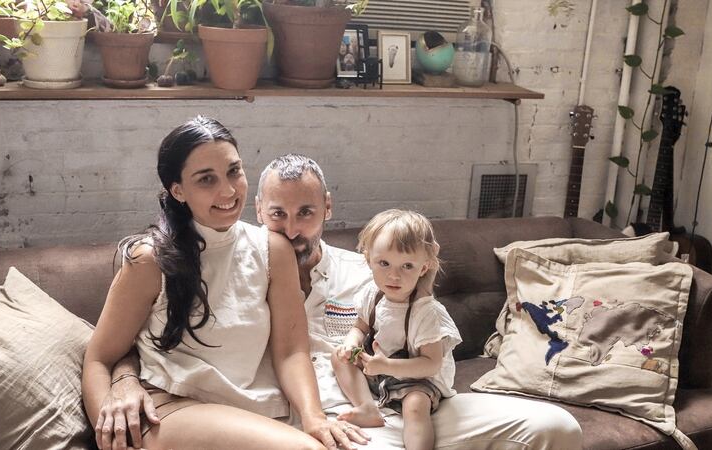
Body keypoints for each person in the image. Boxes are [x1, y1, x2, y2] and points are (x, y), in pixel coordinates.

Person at [100, 153, 583, 449]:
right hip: (327, 425)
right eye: (278, 214)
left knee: (555, 427)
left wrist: (407, 383)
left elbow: (433, 345)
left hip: (406, 403)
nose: (293, 229)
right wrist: (122, 380)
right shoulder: (229, 271)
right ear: (256, 211)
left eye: (306, 212)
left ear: (328, 206)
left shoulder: (374, 275)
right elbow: (137, 336)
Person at [81, 118, 368, 450]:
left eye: (234, 171)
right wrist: (111, 430)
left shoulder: (273, 250)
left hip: (254, 412)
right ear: (178, 190)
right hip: (172, 408)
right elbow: (99, 358)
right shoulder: (149, 260)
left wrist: (313, 417)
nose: (229, 191)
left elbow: (291, 352)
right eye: (206, 179)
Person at [332, 209, 462, 450]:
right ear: (368, 259)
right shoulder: (372, 294)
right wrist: (352, 343)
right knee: (338, 356)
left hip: (418, 378)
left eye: (407, 266)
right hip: (379, 369)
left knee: (415, 405)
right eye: (384, 263)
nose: (393, 275)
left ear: (423, 268)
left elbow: (430, 364)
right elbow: (360, 327)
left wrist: (387, 366)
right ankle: (367, 407)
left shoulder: (426, 313)